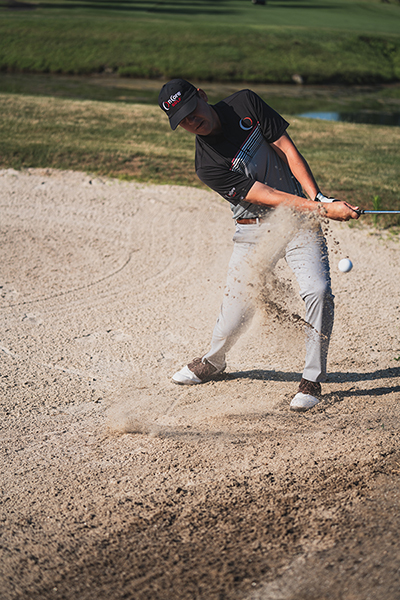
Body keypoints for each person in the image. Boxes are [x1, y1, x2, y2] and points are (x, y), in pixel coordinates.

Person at [158, 79, 360, 411]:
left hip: (299, 222)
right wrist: (323, 209)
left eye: (192, 111)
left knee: (318, 290)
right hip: (254, 232)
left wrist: (319, 197)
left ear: (202, 97)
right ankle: (213, 361)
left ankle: (312, 379)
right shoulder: (207, 165)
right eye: (183, 121)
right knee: (235, 314)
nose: (192, 122)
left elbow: (287, 149)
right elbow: (268, 196)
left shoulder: (245, 104)